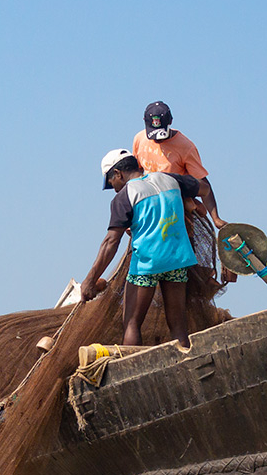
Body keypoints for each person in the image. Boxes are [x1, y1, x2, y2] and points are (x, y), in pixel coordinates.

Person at [80, 149, 202, 348]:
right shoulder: (168, 179)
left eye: (111, 183)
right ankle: (184, 363)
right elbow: (203, 188)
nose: (114, 188)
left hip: (147, 263)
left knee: (132, 323)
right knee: (178, 325)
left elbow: (111, 242)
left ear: (118, 173)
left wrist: (90, 280)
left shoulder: (125, 196)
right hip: (177, 260)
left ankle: (134, 369)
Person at [132, 101, 235, 283]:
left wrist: (216, 218)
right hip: (149, 211)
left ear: (170, 121)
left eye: (162, 133)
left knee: (182, 260)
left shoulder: (185, 146)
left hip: (176, 213)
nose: (158, 138)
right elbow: (136, 174)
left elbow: (203, 183)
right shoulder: (140, 139)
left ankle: (192, 285)